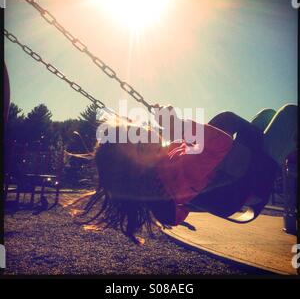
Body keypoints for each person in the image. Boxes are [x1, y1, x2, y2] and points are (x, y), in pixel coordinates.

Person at [69, 103, 297, 244]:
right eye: (139, 143)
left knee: (267, 115)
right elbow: (221, 144)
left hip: (244, 166)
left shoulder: (166, 165)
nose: (147, 134)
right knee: (290, 113)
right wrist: (179, 126)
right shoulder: (174, 178)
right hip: (254, 175)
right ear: (138, 169)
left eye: (140, 130)